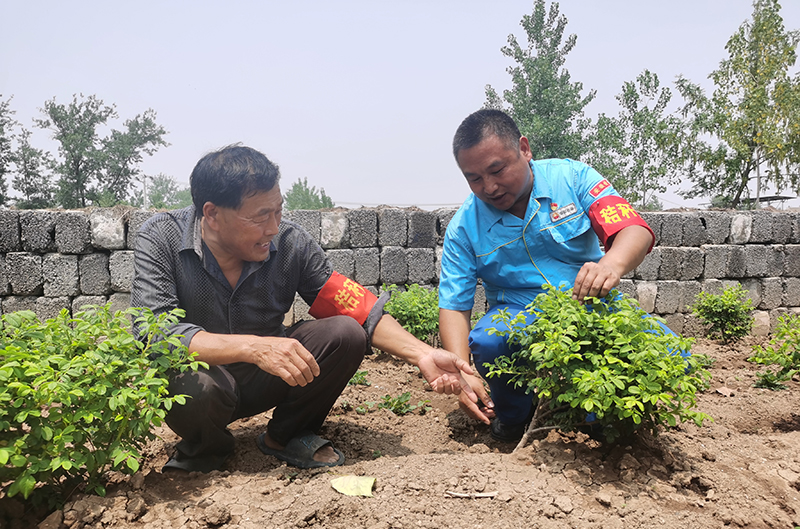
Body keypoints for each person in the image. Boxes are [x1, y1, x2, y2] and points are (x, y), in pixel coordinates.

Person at [131, 144, 476, 473]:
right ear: (212, 214)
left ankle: (286, 436)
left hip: (270, 377)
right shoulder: (162, 238)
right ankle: (206, 450)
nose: (273, 227)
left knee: (345, 333)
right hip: (206, 379)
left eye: (278, 211)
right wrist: (254, 347)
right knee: (193, 385)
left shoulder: (290, 242)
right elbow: (155, 331)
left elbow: (352, 303)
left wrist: (422, 354)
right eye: (261, 216)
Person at [438, 109, 656, 442]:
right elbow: (454, 305)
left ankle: (596, 419)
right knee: (490, 340)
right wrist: (462, 373)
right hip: (517, 313)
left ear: (524, 149)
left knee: (669, 356)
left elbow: (633, 229)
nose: (490, 187)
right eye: (474, 178)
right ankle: (513, 419)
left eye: (498, 170)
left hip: (588, 303)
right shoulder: (464, 228)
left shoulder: (572, 178)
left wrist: (610, 265)